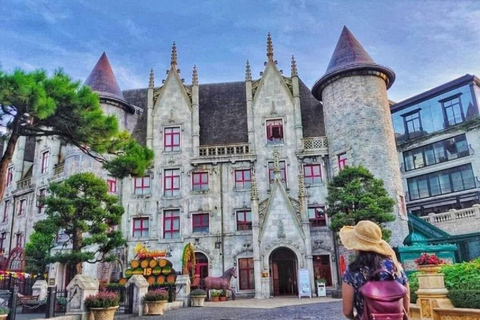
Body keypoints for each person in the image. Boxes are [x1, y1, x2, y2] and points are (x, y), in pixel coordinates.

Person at [339, 220, 410, 320]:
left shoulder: (352, 271)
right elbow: (406, 306)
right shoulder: (396, 267)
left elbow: (347, 311)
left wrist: (357, 316)